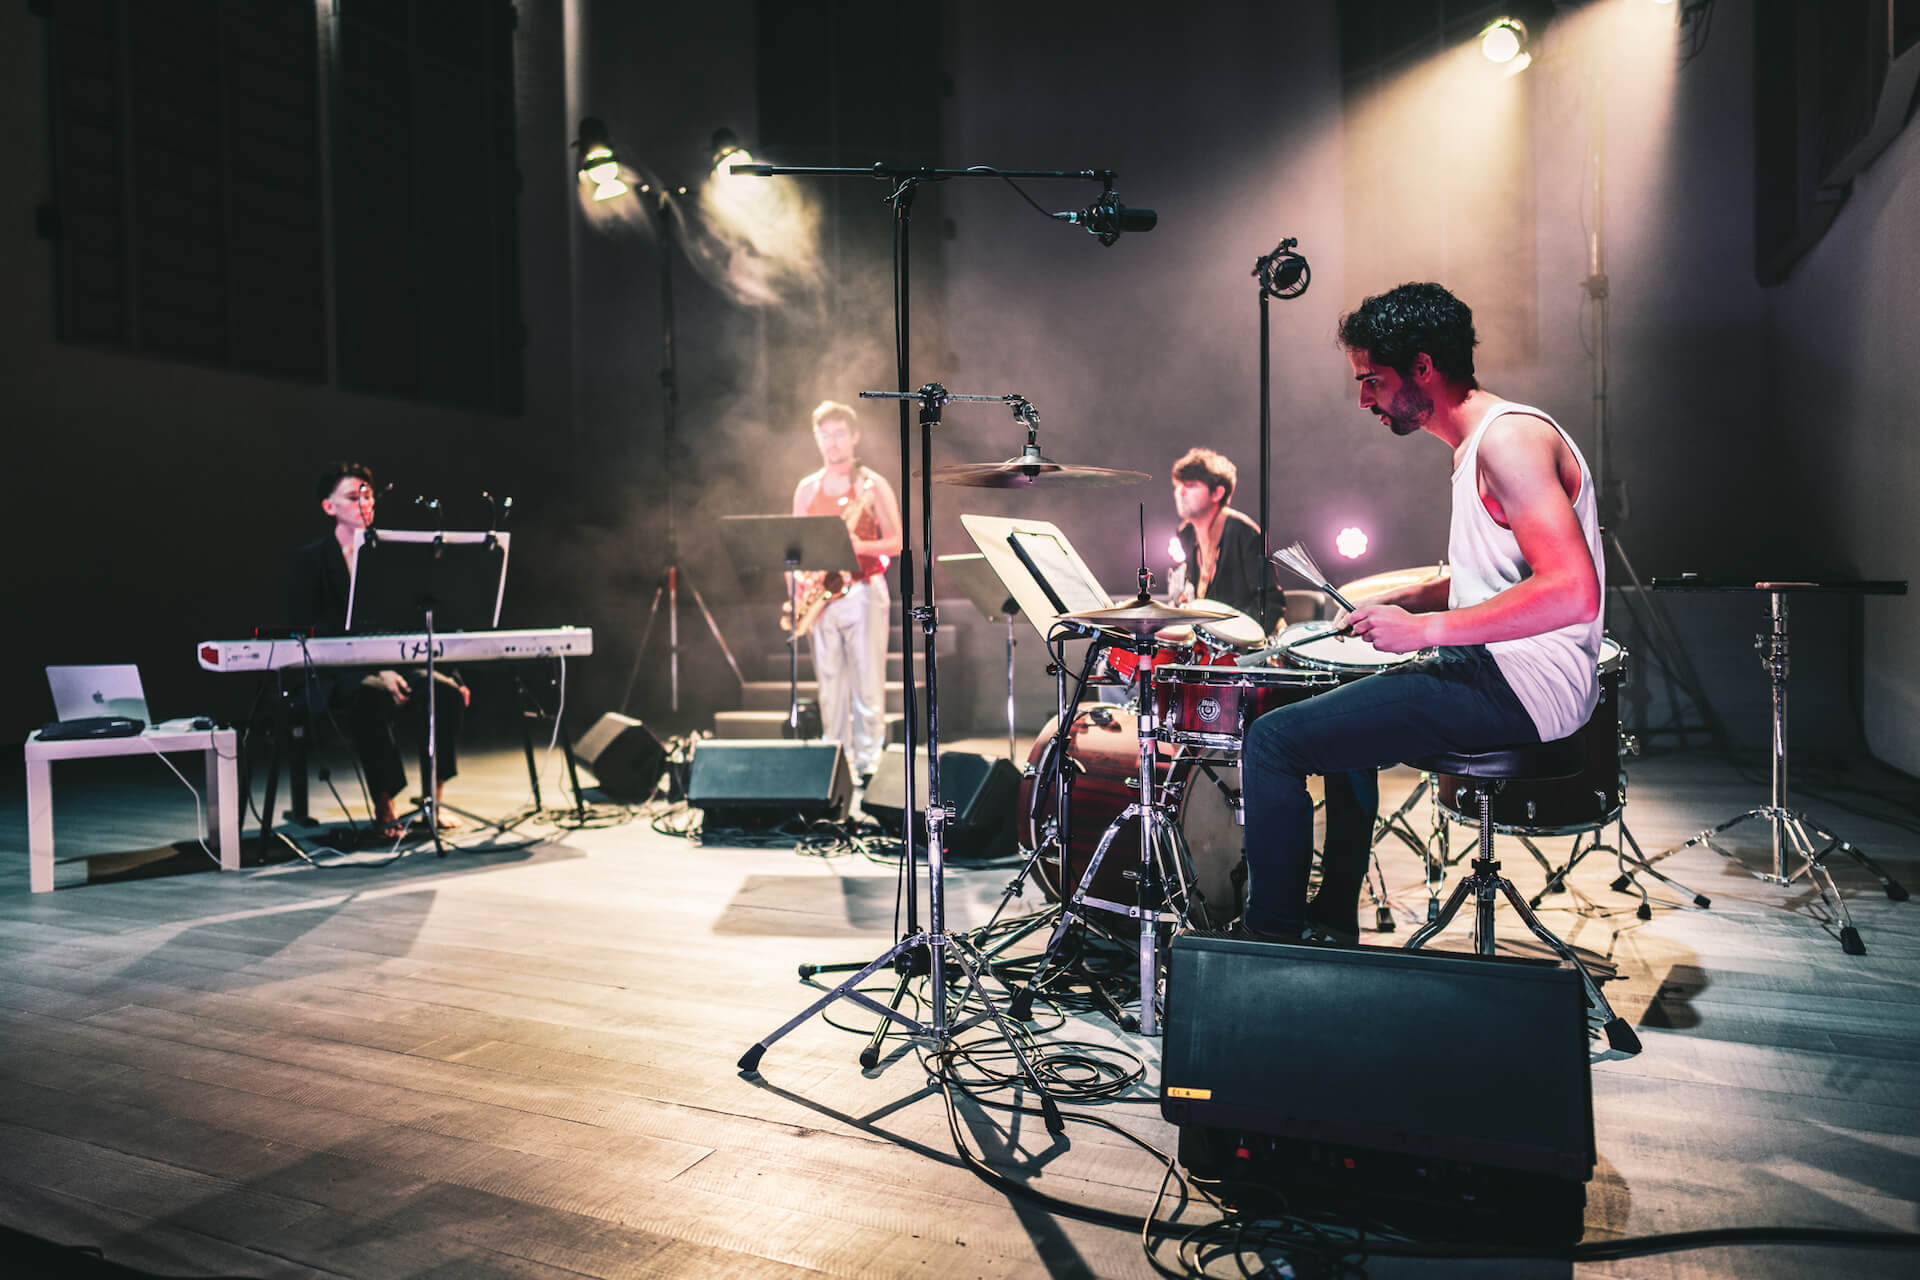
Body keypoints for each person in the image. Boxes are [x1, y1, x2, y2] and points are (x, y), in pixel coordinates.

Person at [1238, 282, 1604, 942]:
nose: (1362, 399)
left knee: (1272, 743)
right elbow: (1501, 575)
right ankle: (1328, 921)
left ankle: (1270, 948)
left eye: (1371, 379)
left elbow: (1572, 590)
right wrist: (1414, 599)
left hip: (1523, 688)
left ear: (1423, 367)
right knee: (1342, 725)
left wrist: (1423, 631)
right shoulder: (1475, 446)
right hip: (1501, 675)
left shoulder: (1509, 441)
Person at [288, 463, 470, 840]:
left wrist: (452, 675)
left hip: (396, 660)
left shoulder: (393, 555)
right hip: (339, 670)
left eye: (368, 496)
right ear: (328, 507)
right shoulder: (312, 560)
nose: (364, 504)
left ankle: (434, 801)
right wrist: (377, 669)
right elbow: (313, 629)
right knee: (368, 694)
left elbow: (420, 620)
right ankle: (383, 803)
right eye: (353, 497)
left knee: (445, 692)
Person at [790, 401, 903, 782]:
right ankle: (833, 761)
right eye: (825, 435)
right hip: (824, 595)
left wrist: (856, 547)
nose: (832, 442)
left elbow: (897, 542)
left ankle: (869, 766)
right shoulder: (807, 489)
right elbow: (796, 549)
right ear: (816, 438)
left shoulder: (872, 485)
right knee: (829, 687)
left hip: (863, 590)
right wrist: (798, 588)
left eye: (839, 434)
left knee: (867, 683)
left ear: (854, 437)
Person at [1170, 447, 1282, 633]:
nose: (1180, 492)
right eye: (1178, 486)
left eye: (1190, 485)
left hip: (1242, 647)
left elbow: (1271, 604)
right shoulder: (1187, 534)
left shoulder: (1245, 534)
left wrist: (1237, 637)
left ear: (1217, 493)